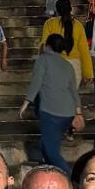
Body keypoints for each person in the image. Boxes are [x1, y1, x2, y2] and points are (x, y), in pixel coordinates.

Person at [20, 35, 79, 174]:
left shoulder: (43, 60)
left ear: (48, 47)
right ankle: (50, 173)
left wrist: (26, 102)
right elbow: (73, 90)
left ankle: (72, 180)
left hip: (51, 111)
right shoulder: (67, 65)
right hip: (68, 113)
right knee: (47, 145)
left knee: (51, 151)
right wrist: (78, 111)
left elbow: (36, 82)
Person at [41, 0, 93, 90]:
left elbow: (44, 47)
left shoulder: (49, 24)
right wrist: (88, 73)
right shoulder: (78, 26)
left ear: (57, 10)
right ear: (71, 9)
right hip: (74, 68)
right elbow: (84, 51)